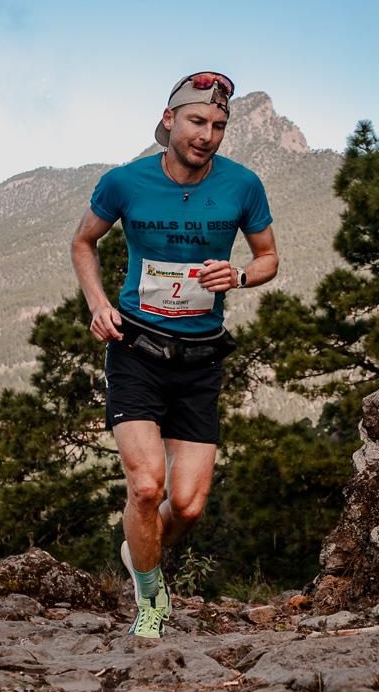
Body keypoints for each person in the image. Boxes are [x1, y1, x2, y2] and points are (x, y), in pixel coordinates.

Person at [70, 71, 278, 638]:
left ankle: (139, 548)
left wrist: (237, 273)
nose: (207, 135)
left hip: (200, 358)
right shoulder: (125, 182)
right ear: (169, 121)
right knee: (145, 486)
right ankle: (150, 600)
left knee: (185, 506)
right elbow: (83, 241)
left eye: (217, 125)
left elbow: (268, 260)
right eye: (196, 121)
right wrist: (97, 303)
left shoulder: (243, 185)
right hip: (135, 347)